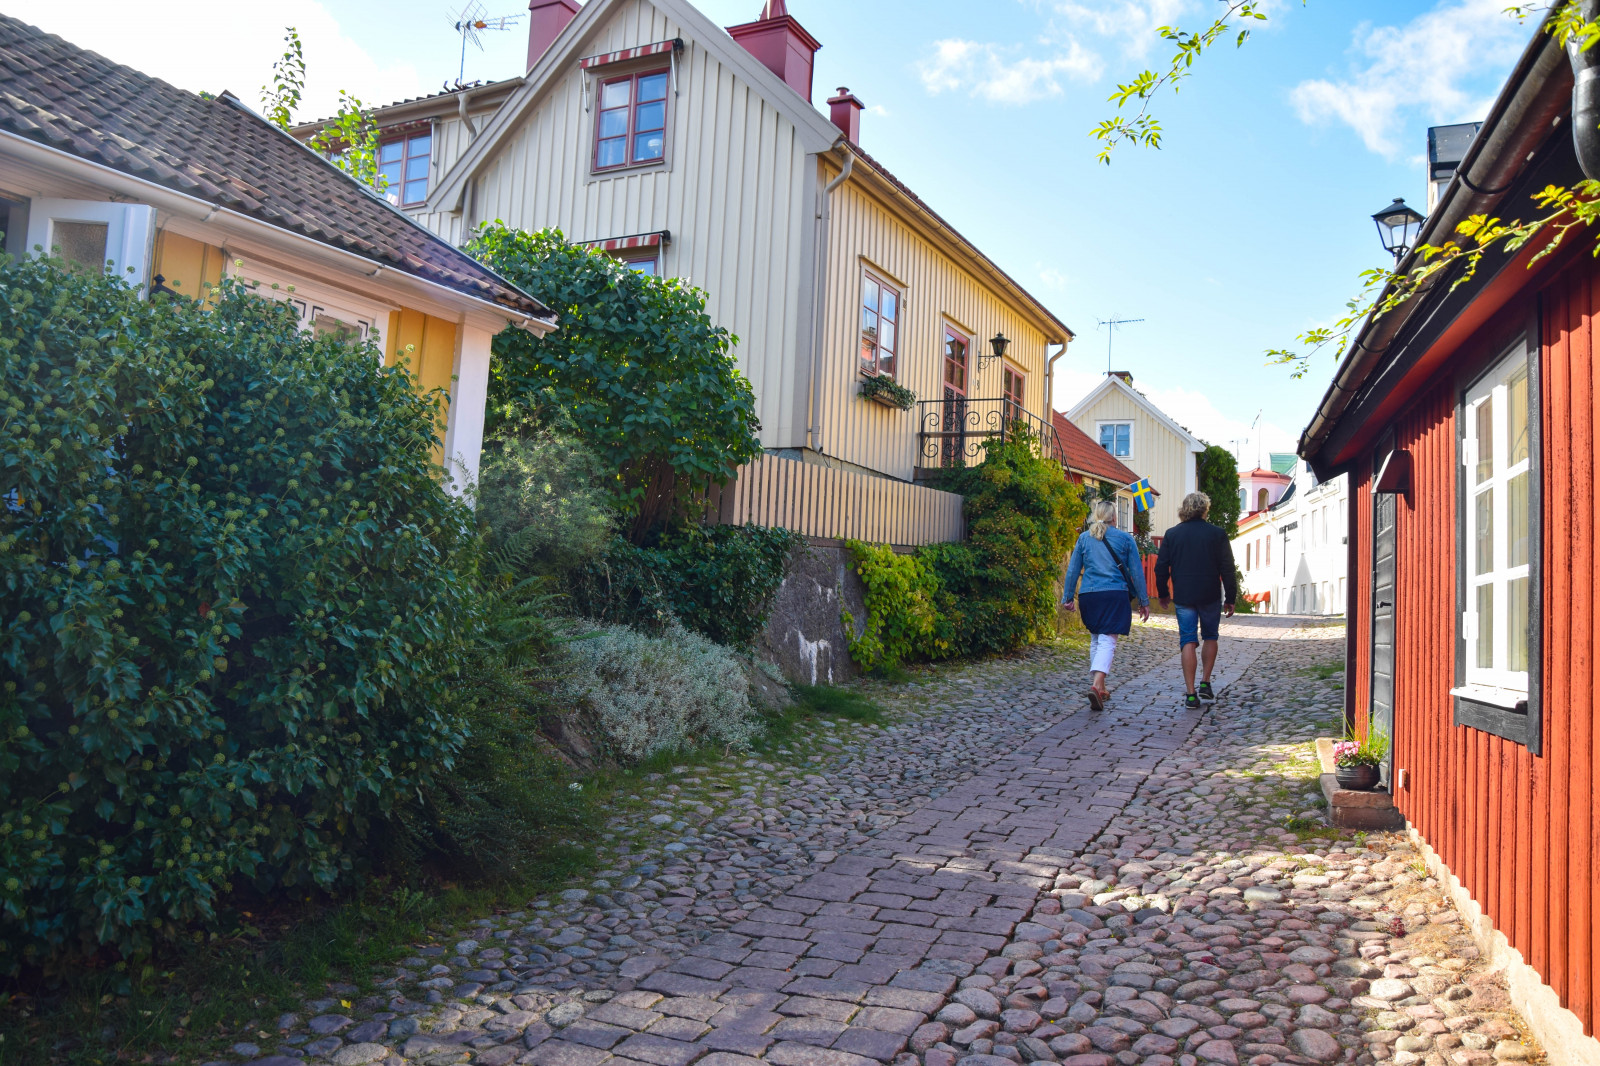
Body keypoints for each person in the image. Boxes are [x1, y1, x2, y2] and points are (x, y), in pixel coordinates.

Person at [1062, 499, 1150, 711]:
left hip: (1089, 595)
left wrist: (1067, 597)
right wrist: (1143, 601)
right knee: (1108, 640)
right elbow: (1136, 572)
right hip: (1114, 594)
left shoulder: (1083, 538)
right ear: (1114, 518)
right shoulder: (1124, 539)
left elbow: (1073, 570)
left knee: (1096, 638)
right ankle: (1095, 685)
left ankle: (1100, 688)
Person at [1154, 491, 1238, 709]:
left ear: (1184, 509)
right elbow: (1228, 568)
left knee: (1188, 641)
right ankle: (1205, 682)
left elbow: (1161, 567)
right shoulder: (1217, 534)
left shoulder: (1172, 534)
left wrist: (1163, 593)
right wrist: (1231, 597)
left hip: (1183, 595)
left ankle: (1191, 694)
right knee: (1211, 636)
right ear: (1205, 509)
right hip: (1209, 594)